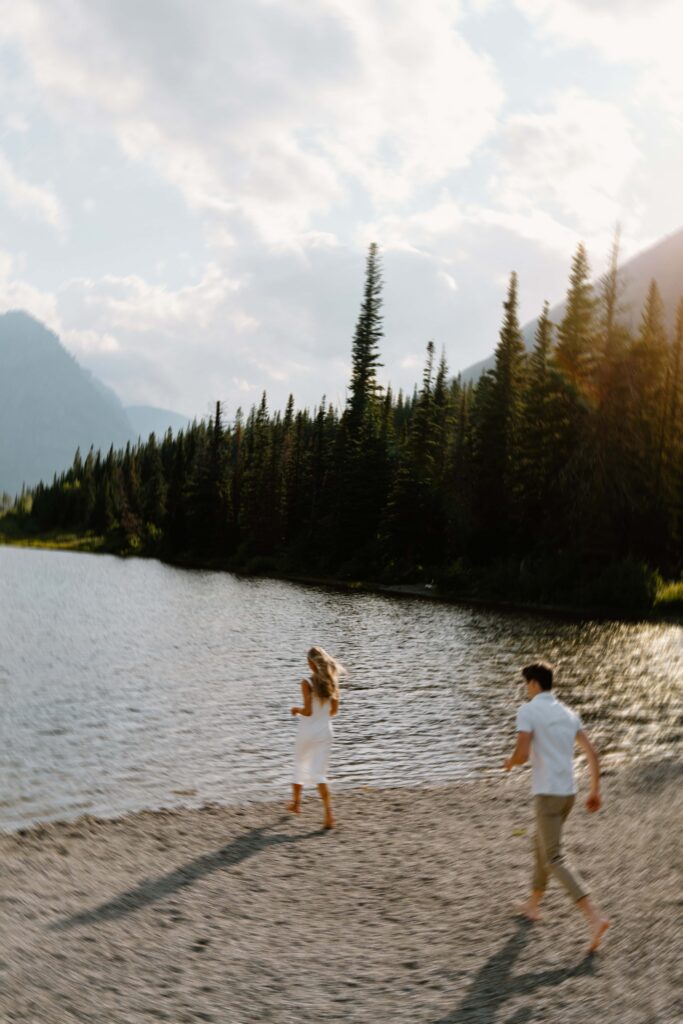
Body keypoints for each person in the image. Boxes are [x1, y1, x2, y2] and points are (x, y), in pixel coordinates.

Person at [504, 661, 609, 952]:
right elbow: (592, 754)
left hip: (547, 794)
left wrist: (509, 762)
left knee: (553, 857)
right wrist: (595, 791)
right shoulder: (568, 713)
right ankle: (533, 906)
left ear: (535, 684)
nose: (526, 690)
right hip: (568, 794)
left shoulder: (528, 710)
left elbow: (523, 754)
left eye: (527, 684)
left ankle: (595, 917)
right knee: (540, 844)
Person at [288, 646, 342, 829]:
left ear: (311, 663)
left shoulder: (306, 683)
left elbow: (308, 711)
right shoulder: (332, 683)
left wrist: (296, 710)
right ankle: (328, 815)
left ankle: (296, 804)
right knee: (319, 773)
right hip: (325, 732)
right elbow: (334, 712)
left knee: (299, 763)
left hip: (307, 731)